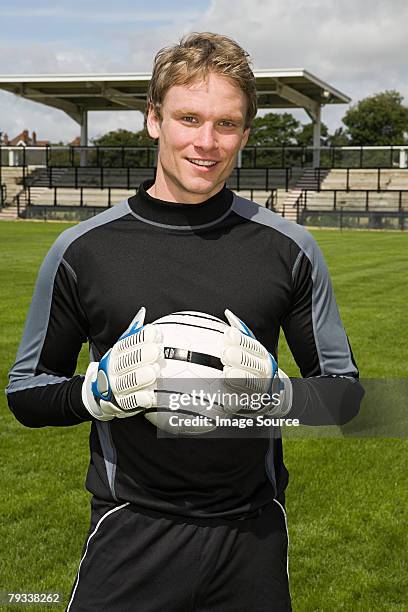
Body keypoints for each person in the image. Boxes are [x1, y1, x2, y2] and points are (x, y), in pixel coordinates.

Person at [6, 32, 363, 612]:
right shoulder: (82, 250)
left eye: (226, 124)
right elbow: (25, 394)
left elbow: (345, 400)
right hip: (130, 527)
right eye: (189, 118)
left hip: (251, 535)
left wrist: (273, 398)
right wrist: (97, 393)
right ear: (153, 119)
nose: (207, 143)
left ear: (246, 134)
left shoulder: (289, 248)